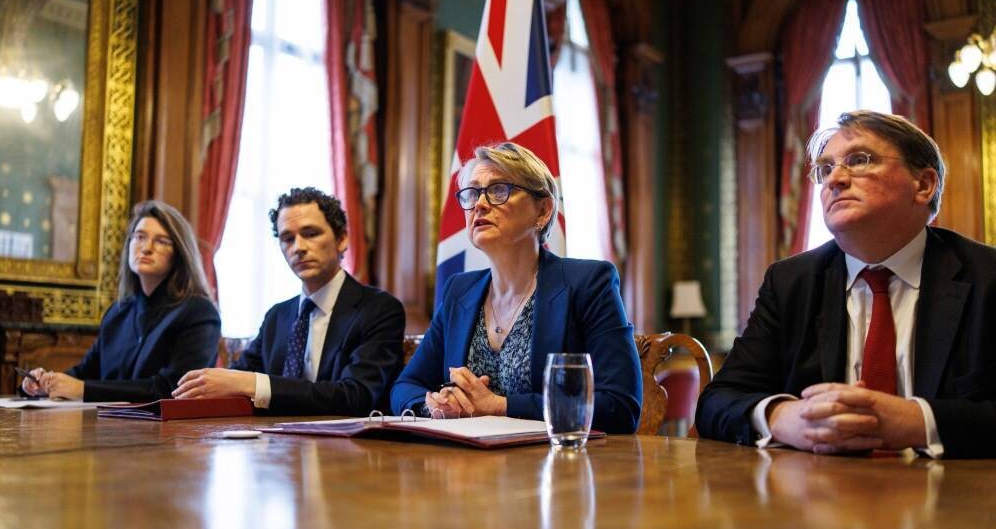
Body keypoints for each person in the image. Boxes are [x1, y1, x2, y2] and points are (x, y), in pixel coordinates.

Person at [696, 110, 996, 459]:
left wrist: (918, 421)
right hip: (819, 500)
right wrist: (783, 417)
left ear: (923, 185)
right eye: (825, 169)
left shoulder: (987, 277)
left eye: (859, 160)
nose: (835, 179)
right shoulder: (790, 281)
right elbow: (717, 401)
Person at [390, 142, 641, 433]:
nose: (480, 204)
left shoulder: (588, 283)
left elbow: (620, 406)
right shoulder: (460, 291)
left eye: (498, 190)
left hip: (555, 469)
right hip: (466, 469)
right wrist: (433, 405)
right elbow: (404, 386)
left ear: (543, 210)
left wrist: (500, 406)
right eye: (472, 193)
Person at [174, 187, 405, 415]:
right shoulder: (277, 315)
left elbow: (356, 396)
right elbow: (239, 378)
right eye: (287, 238)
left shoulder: (379, 309)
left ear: (342, 239)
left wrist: (253, 384)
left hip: (347, 448)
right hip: (272, 443)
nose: (299, 248)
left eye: (311, 233)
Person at [21, 200, 221, 402]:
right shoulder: (118, 313)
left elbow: (173, 388)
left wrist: (83, 390)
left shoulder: (199, 312)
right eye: (140, 237)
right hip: (108, 428)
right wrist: (46, 383)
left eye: (161, 241)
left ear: (179, 253)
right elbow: (87, 371)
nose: (146, 248)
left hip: (168, 432)